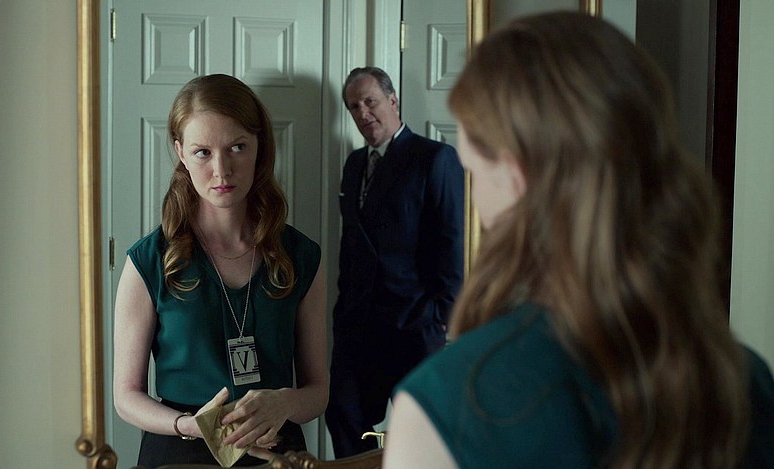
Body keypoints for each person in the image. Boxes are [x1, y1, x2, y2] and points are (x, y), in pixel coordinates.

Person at [384, 11, 774, 469]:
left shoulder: (445, 404)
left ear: (516, 178)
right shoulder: (741, 379)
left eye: (474, 173)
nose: (477, 202)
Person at [113, 74, 328, 468]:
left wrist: (284, 402)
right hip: (178, 453)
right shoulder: (148, 261)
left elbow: (318, 391)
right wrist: (190, 425)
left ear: (259, 147)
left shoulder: (301, 256)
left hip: (277, 455)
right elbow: (125, 396)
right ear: (180, 152)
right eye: (203, 152)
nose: (222, 170)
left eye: (237, 147)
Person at [326, 66, 466, 457]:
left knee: (424, 433)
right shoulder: (354, 164)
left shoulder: (434, 158)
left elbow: (453, 241)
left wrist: (441, 315)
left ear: (392, 101)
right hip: (358, 325)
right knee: (342, 414)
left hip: (414, 324)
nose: (363, 113)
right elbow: (351, 245)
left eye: (369, 101)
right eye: (354, 107)